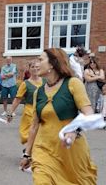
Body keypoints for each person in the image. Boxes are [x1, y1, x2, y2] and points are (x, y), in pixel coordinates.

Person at [20, 48, 97, 184]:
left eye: (41, 59)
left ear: (52, 64)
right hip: (44, 150)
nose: (37, 64)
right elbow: (33, 127)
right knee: (41, 181)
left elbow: (89, 114)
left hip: (70, 151)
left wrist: (74, 131)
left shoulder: (73, 83)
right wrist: (27, 153)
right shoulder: (39, 92)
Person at [7, 60, 44, 149]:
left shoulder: (46, 81)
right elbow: (17, 99)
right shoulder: (25, 84)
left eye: (37, 67)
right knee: (31, 132)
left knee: (42, 133)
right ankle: (29, 151)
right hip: (30, 111)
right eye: (33, 67)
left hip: (43, 110)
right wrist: (10, 112)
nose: (35, 69)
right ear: (29, 69)